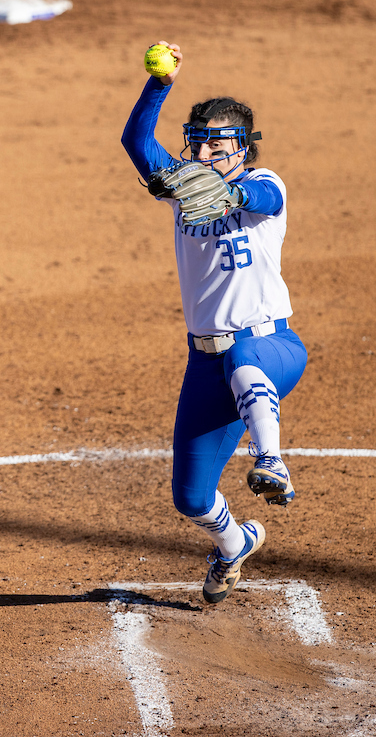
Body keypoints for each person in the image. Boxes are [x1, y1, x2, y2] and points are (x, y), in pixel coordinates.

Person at [121, 42, 308, 604]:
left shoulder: (265, 183)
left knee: (243, 361)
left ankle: (271, 460)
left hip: (271, 345)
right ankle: (235, 545)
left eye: (217, 144)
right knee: (191, 498)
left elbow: (262, 195)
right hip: (204, 363)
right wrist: (159, 85)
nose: (203, 154)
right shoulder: (184, 189)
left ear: (243, 147)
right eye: (196, 143)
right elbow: (135, 143)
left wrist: (224, 189)